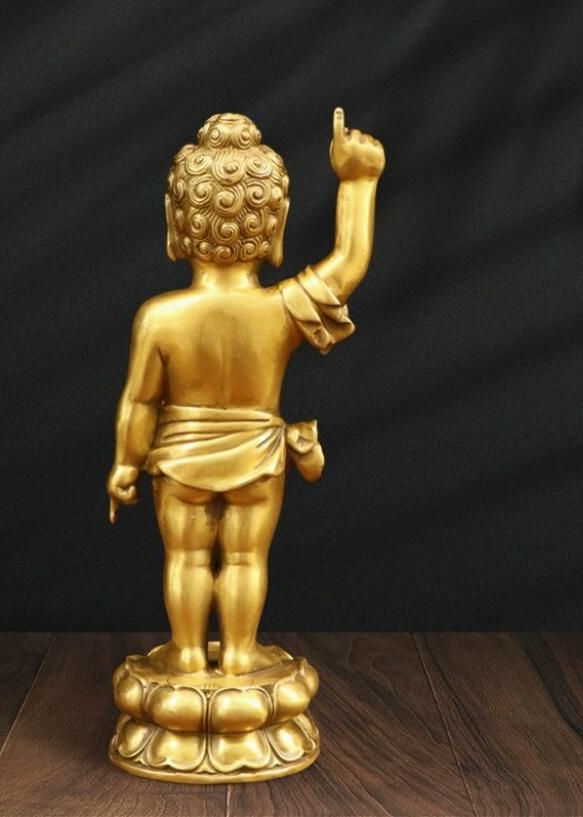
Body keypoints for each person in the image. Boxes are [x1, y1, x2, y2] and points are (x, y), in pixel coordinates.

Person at [107, 110, 384, 675]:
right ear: (275, 228)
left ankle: (187, 654)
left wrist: (126, 465)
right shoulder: (279, 310)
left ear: (175, 223)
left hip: (179, 458)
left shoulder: (159, 317)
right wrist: (359, 183)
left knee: (185, 558)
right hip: (259, 456)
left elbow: (140, 402)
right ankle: (238, 653)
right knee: (245, 558)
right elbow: (348, 266)